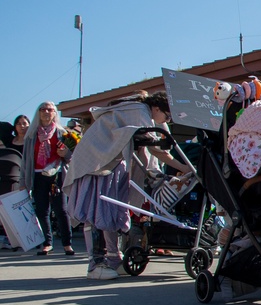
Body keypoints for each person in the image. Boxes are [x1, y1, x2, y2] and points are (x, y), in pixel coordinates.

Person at [63, 92, 192, 280]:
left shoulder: (139, 111)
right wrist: (183, 167)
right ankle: (95, 264)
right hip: (98, 164)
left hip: (109, 162)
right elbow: (155, 149)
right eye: (167, 115)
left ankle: (114, 259)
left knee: (112, 211)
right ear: (156, 108)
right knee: (95, 211)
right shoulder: (139, 111)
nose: (166, 120)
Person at [19, 102, 74, 256]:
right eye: (43, 109)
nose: (46, 112)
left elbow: (72, 158)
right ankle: (47, 243)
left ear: (54, 113)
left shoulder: (62, 133)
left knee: (61, 209)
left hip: (57, 174)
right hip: (37, 175)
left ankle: (67, 243)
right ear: (38, 113)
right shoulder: (31, 135)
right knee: (42, 210)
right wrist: (23, 181)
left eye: (50, 109)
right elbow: (25, 161)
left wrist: (66, 154)